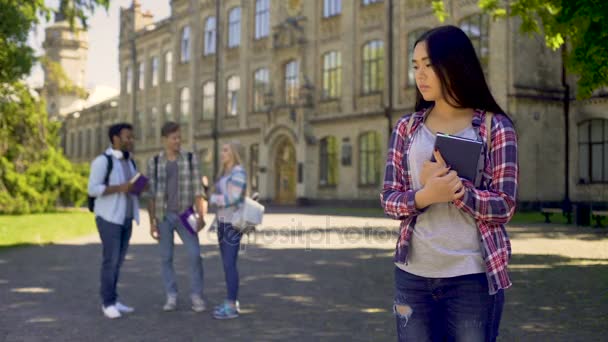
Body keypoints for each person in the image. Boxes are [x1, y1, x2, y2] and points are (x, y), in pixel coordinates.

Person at [380, 25, 519, 341]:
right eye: (416, 66)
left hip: (472, 277)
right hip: (412, 276)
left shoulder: (495, 127)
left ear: (455, 64)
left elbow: (505, 206)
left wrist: (458, 191)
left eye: (429, 64)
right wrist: (424, 196)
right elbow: (388, 197)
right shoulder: (406, 128)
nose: (420, 74)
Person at [146, 122, 208, 312]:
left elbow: (199, 189)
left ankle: (196, 296)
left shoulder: (190, 159)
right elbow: (151, 195)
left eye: (179, 137)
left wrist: (201, 215)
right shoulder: (154, 162)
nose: (178, 141)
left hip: (187, 213)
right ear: (164, 140)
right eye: (174, 138)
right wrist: (152, 224)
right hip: (163, 216)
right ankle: (171, 295)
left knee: (195, 255)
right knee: (166, 258)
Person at [87, 123, 140, 319]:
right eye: (128, 137)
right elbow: (92, 189)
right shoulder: (102, 161)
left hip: (126, 218)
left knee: (118, 261)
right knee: (110, 261)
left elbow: (131, 186)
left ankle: (114, 299)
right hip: (109, 219)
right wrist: (120, 188)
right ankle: (107, 302)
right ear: (116, 138)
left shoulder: (130, 161)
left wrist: (139, 186)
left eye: (132, 137)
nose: (131, 140)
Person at [209, 142, 247, 320]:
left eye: (226, 150)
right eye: (222, 150)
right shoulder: (224, 173)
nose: (222, 153)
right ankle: (231, 300)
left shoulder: (238, 172)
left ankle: (231, 306)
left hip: (233, 223)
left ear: (234, 153)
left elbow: (232, 198)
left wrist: (212, 198)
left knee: (230, 264)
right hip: (223, 222)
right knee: (226, 264)